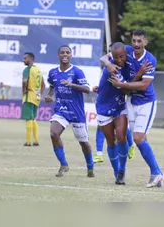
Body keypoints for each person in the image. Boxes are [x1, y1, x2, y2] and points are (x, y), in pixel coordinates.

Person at [102, 29, 164, 188]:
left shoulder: (150, 59)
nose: (136, 44)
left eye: (140, 41)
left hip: (146, 102)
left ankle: (156, 173)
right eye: (134, 41)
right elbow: (104, 57)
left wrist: (123, 84)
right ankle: (159, 173)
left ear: (146, 42)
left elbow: (144, 85)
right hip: (130, 101)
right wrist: (109, 63)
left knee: (137, 138)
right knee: (140, 139)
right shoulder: (126, 51)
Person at [44, 45, 95, 178]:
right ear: (58, 55)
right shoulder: (53, 72)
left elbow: (87, 89)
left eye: (67, 52)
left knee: (83, 142)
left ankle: (90, 167)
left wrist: (72, 85)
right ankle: (64, 164)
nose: (65, 54)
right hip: (61, 109)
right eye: (62, 52)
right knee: (54, 133)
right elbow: (52, 85)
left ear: (71, 55)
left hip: (76, 112)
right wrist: (49, 95)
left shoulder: (77, 72)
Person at [95, 42, 133, 185]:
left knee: (121, 137)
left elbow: (125, 89)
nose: (118, 60)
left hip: (119, 106)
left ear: (125, 54)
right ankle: (116, 172)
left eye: (121, 56)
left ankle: (122, 171)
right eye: (115, 57)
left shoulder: (128, 65)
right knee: (111, 141)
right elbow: (126, 90)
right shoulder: (111, 69)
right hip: (103, 108)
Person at [21, 52, 45, 147]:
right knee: (33, 118)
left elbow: (24, 81)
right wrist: (39, 93)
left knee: (28, 118)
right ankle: (36, 141)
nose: (23, 60)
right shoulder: (38, 70)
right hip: (37, 96)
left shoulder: (28, 69)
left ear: (30, 59)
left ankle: (28, 142)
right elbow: (43, 84)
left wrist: (23, 91)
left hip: (29, 95)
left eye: (25, 58)